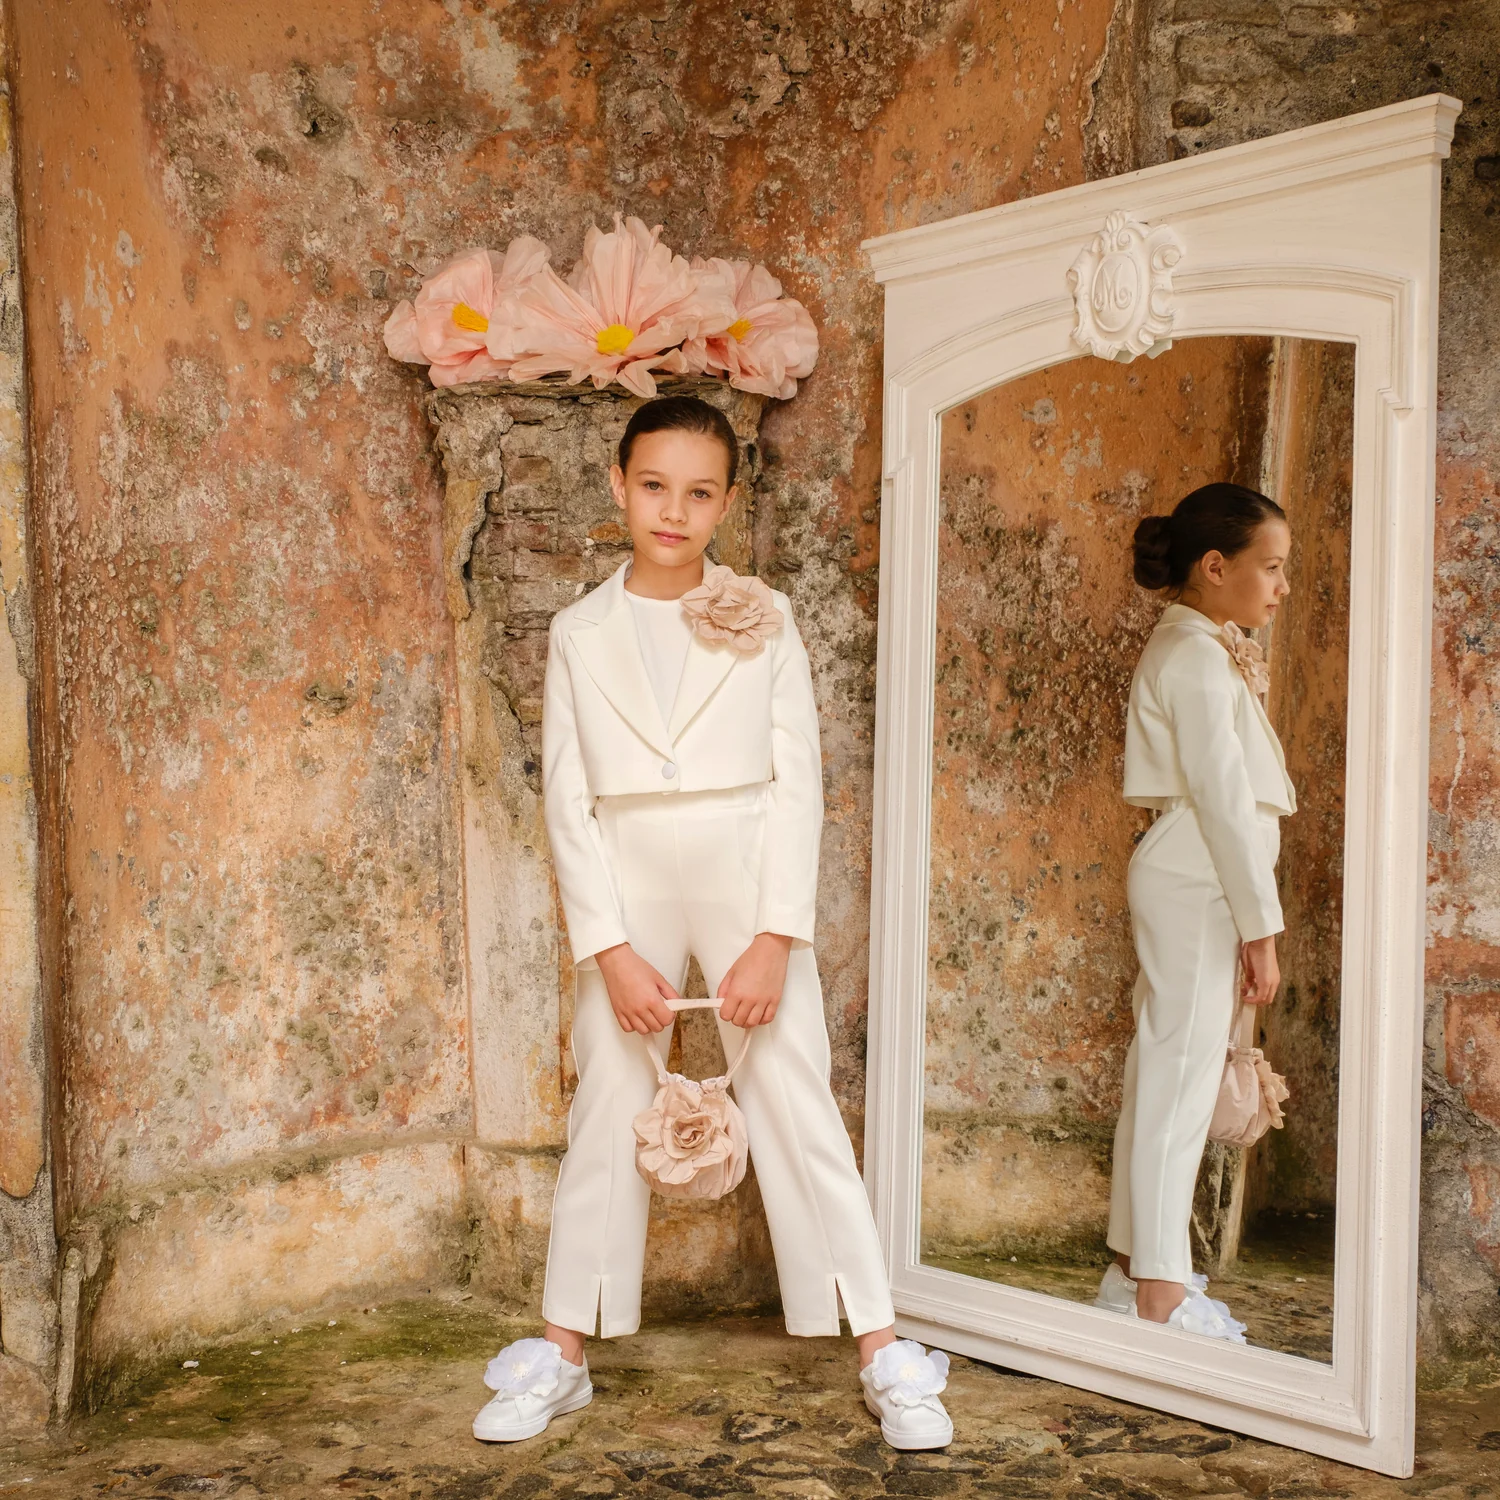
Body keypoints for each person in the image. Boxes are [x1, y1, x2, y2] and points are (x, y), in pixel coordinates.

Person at [472, 395, 953, 1449]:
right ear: (618, 485)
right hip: (624, 874)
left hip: (744, 867)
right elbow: (565, 797)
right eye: (654, 486)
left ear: (727, 503)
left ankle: (881, 1347)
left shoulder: (765, 615)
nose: (673, 511)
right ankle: (564, 1350)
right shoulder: (577, 631)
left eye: (698, 493)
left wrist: (776, 935)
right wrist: (607, 947)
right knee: (608, 1094)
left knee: (794, 1092)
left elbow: (799, 782)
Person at [1094, 482, 1297, 1339]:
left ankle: (1132, 1270)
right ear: (1216, 567)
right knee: (1179, 1078)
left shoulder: (1196, 646)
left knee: (1165, 1069)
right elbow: (1222, 799)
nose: (1281, 586)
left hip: (1197, 868)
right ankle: (1160, 1293)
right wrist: (1262, 930)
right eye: (1271, 567)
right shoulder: (1197, 656)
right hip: (1202, 870)